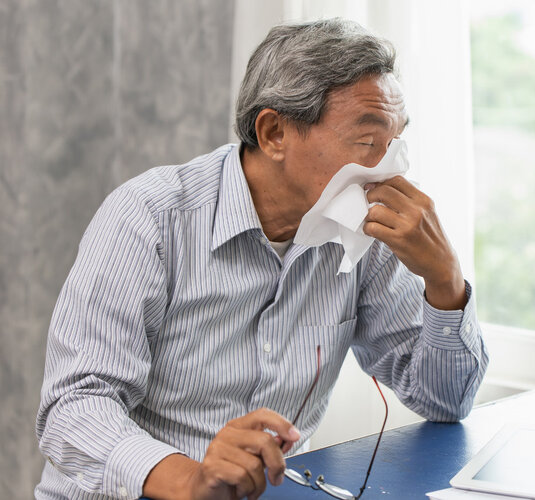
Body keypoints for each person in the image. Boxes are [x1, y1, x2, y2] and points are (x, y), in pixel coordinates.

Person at [35, 18, 488, 500]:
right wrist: (190, 481)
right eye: (368, 143)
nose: (391, 168)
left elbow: (444, 403)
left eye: (395, 144)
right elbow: (74, 408)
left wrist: (444, 278)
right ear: (273, 133)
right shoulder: (149, 218)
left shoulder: (364, 233)